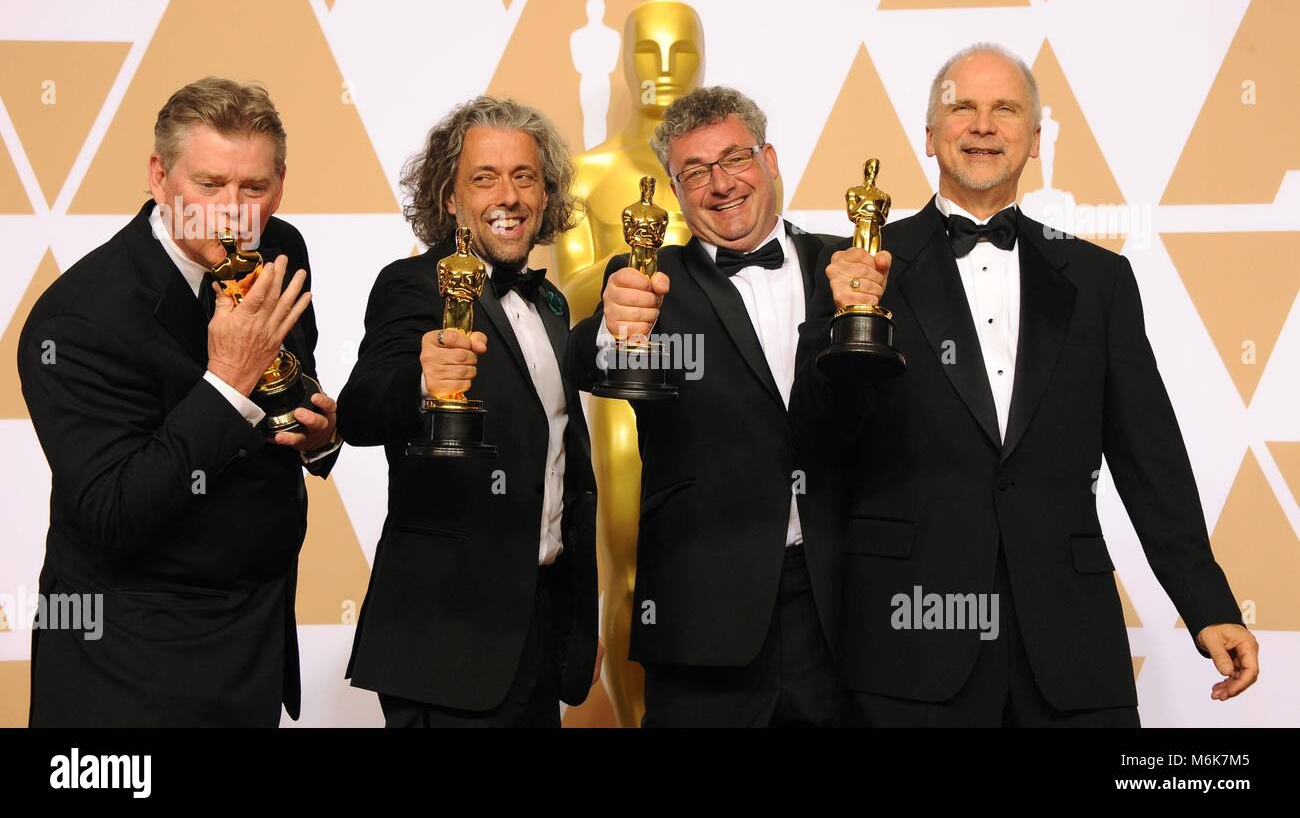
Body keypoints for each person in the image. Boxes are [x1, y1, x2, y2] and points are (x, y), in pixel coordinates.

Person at [792, 43, 1259, 726]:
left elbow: (1149, 456)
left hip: (1070, 647)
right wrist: (845, 327)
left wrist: (1207, 603)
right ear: (929, 135)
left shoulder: (1099, 281)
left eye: (1005, 109)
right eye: (963, 108)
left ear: (1035, 139)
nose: (983, 125)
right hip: (909, 646)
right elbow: (817, 438)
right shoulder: (855, 269)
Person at [18, 77, 340, 727]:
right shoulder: (77, 321)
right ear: (159, 176)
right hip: (128, 668)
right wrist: (226, 382)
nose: (233, 212)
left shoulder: (281, 248)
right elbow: (113, 512)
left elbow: (290, 389)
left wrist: (319, 437)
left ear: (280, 184)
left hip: (254, 648)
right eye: (210, 185)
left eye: (254, 187)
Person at [567, 86, 847, 726]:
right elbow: (584, 358)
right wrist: (613, 328)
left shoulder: (845, 267)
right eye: (694, 172)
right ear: (675, 190)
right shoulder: (649, 280)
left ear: (769, 160)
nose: (720, 184)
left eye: (735, 159)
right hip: (702, 619)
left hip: (837, 612)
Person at [339, 96, 600, 727]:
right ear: (450, 199)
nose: (508, 196)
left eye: (524, 177)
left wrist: (577, 622)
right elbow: (359, 411)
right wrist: (421, 382)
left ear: (546, 194)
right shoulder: (411, 283)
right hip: (446, 643)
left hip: (540, 630)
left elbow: (563, 469)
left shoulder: (552, 305)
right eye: (484, 178)